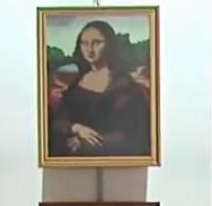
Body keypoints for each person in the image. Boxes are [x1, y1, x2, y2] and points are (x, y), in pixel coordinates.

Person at [47, 20, 151, 158]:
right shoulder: (76, 83)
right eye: (84, 43)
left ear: (110, 45)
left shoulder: (126, 87)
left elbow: (134, 134)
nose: (89, 49)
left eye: (97, 43)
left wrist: (87, 142)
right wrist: (76, 128)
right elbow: (58, 121)